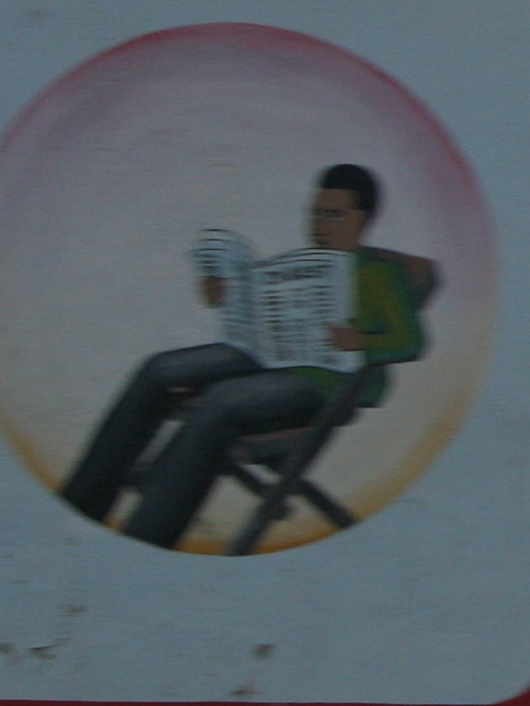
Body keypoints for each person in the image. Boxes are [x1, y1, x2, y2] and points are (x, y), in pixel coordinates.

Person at [59, 164, 430, 549]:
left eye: (334, 214)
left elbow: (412, 342)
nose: (321, 223)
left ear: (363, 219)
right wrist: (231, 296)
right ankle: (83, 502)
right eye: (315, 212)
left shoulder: (381, 275)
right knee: (159, 369)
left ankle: (148, 535)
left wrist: (363, 342)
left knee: (220, 402)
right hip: (266, 355)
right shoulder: (305, 266)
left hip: (325, 378)